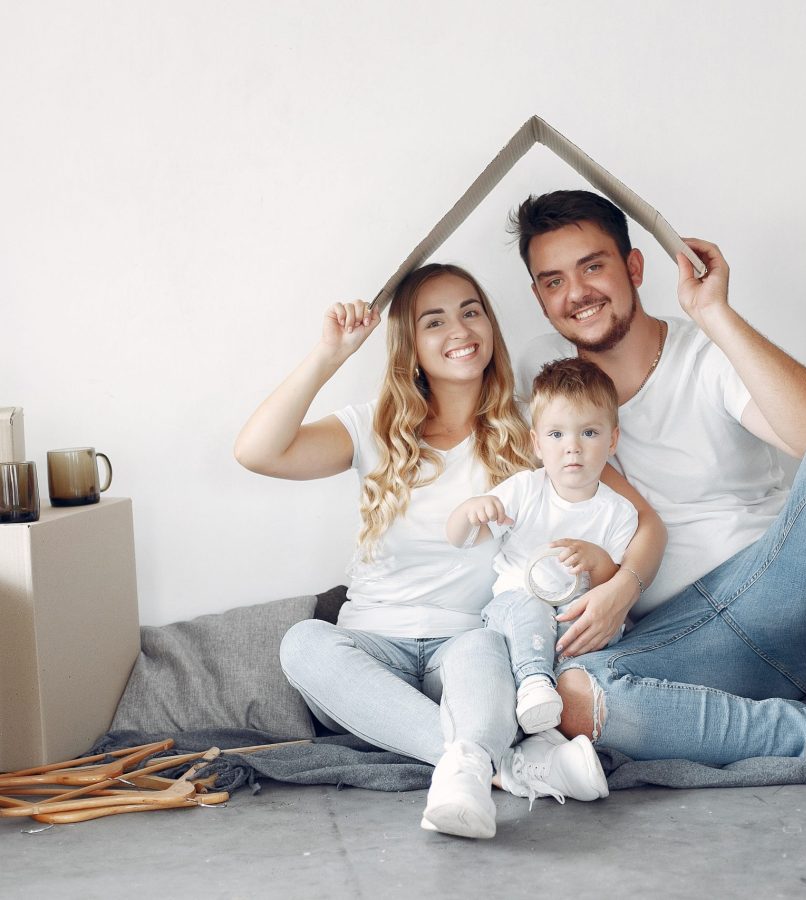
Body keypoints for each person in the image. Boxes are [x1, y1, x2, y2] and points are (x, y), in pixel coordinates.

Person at [234, 262, 665, 839]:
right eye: (434, 321)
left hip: (466, 647)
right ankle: (504, 764)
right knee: (303, 642)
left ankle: (473, 763)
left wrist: (620, 584)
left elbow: (646, 524)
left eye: (471, 311)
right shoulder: (374, 427)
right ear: (410, 346)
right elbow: (257, 452)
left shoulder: (535, 430)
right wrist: (330, 354)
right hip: (373, 646)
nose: (459, 330)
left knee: (485, 646)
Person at [509, 189, 806, 803]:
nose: (577, 292)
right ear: (539, 297)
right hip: (681, 644)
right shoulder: (545, 373)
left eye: (592, 266)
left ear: (634, 269)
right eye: (553, 280)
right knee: (573, 696)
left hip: (780, 596)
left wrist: (714, 312)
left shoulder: (703, 354)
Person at [447, 356, 640, 738]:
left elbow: (614, 586)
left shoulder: (620, 512)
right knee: (531, 608)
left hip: (570, 617)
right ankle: (535, 684)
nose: (572, 448)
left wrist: (598, 563)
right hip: (516, 606)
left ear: (612, 439)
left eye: (588, 433)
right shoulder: (524, 490)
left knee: (598, 622)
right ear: (536, 443)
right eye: (557, 435)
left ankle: (558, 692)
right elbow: (459, 538)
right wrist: (471, 511)